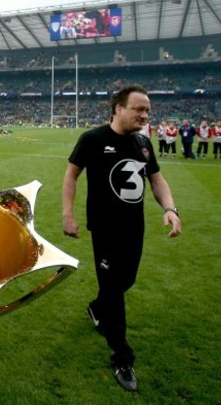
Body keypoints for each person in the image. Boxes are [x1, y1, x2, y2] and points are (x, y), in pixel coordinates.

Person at [62, 85, 182, 392]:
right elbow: (71, 174)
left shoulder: (143, 143)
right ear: (118, 108)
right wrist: (68, 214)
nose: (145, 115)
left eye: (147, 111)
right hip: (104, 229)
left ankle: (96, 307)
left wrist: (170, 208)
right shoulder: (93, 139)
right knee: (114, 289)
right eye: (139, 109)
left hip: (134, 228)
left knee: (125, 281)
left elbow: (157, 179)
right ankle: (123, 357)